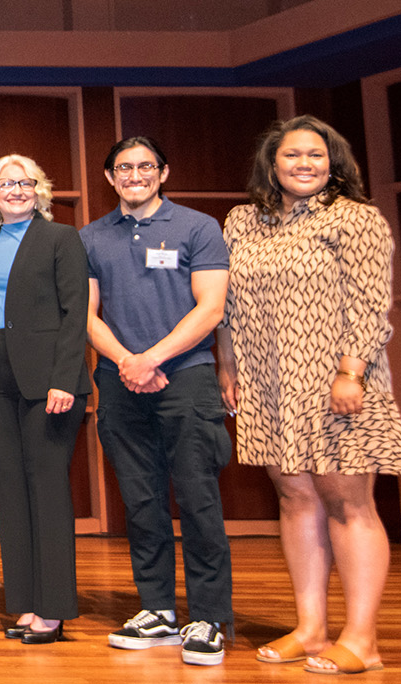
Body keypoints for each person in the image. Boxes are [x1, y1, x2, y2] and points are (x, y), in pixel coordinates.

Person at [218, 115, 401, 675]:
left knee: (348, 504)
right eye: (292, 155)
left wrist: (351, 372)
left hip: (336, 382)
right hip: (266, 382)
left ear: (335, 163)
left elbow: (372, 302)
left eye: (316, 155)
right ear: (271, 165)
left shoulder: (355, 219)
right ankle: (311, 628)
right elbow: (226, 303)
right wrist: (226, 366)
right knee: (294, 499)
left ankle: (363, 638)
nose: (305, 164)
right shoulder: (243, 221)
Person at [82, 137, 234, 665]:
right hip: (121, 383)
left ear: (163, 172)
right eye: (124, 168)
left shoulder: (198, 227)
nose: (135, 175)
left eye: (146, 166)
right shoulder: (90, 237)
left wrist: (152, 359)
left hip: (187, 380)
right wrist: (128, 361)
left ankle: (209, 617)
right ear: (109, 178)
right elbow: (86, 314)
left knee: (197, 500)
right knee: (142, 503)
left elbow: (211, 307)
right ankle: (158, 610)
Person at [0, 153, 90, 645]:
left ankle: (54, 608)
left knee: (46, 489)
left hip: (49, 381)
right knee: (11, 493)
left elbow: (75, 312)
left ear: (39, 189)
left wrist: (64, 379)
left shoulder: (61, 238)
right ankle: (22, 602)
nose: (16, 190)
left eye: (25, 182)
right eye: (6, 183)